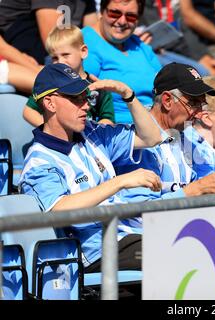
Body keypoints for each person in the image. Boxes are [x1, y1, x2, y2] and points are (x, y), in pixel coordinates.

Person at [19, 63, 163, 272]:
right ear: (50, 103)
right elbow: (60, 209)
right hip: (97, 252)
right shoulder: (39, 161)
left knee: (189, 244)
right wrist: (120, 182)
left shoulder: (92, 132)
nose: (86, 105)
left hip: (130, 234)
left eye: (85, 97)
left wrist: (128, 95)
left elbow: (151, 137)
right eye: (75, 98)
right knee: (171, 255)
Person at [117, 63, 215, 197]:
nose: (199, 113)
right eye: (193, 103)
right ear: (167, 101)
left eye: (202, 104)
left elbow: (203, 179)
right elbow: (139, 209)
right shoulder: (138, 142)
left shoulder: (184, 137)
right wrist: (196, 189)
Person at [82, 0, 162, 124]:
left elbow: (165, 83)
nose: (122, 21)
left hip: (157, 125)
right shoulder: (86, 44)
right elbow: (80, 96)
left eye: (131, 16)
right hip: (118, 130)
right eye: (115, 13)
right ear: (102, 11)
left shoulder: (138, 45)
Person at [23, 25, 115, 127]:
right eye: (54, 58)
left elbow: (108, 119)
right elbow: (28, 111)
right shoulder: (49, 84)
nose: (60, 61)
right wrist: (51, 130)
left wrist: (90, 135)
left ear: (83, 51)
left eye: (65, 55)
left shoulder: (97, 86)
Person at [137, 0, 215, 77]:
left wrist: (203, 56)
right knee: (203, 73)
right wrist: (199, 59)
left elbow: (185, 27)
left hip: (180, 49)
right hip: (156, 49)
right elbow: (161, 33)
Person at [0, 0, 98, 64]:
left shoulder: (87, 2)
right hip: (25, 60)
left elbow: (95, 38)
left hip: (56, 58)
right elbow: (56, 43)